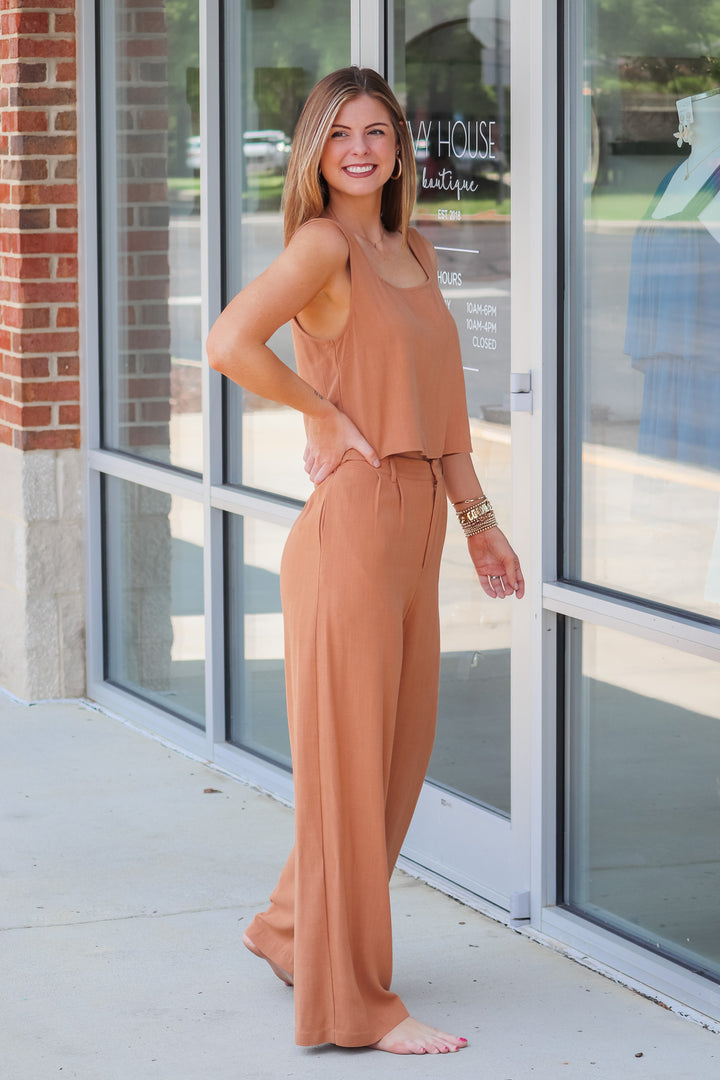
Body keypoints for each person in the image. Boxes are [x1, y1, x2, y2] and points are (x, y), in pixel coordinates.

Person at [206, 66, 524, 1056]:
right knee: (348, 774)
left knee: (393, 764)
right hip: (353, 528)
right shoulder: (322, 245)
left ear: (399, 149)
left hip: (421, 520)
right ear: (315, 147)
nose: (359, 146)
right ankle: (355, 1005)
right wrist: (325, 413)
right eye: (340, 130)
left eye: (377, 129)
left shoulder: (412, 248)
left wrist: (479, 520)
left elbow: (447, 412)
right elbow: (229, 341)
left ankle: (291, 929)